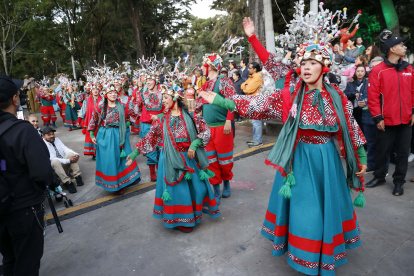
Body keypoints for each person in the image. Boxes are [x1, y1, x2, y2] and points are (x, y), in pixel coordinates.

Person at [200, 25, 367, 275]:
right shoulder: (289, 96)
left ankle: (325, 250)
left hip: (327, 162)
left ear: (324, 66)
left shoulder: (338, 98)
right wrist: (222, 101)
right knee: (305, 210)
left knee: (326, 207)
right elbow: (257, 104)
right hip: (297, 161)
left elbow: (350, 126)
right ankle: (306, 253)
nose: (307, 67)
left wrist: (361, 156)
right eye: (304, 62)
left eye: (313, 62)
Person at [126, 85, 220, 233]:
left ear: (175, 98)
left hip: (190, 158)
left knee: (197, 188)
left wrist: (194, 144)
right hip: (169, 159)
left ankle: (194, 214)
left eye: (165, 98)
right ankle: (181, 219)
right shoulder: (161, 120)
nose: (162, 101)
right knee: (178, 191)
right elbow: (150, 138)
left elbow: (205, 132)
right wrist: (134, 154)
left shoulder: (191, 116)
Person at [0, 73, 54, 275]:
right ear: (15, 99)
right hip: (24, 208)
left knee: (10, 259)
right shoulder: (22, 131)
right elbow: (42, 172)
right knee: (27, 264)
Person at [365, 34, 414, 196]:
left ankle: (399, 182)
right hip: (385, 121)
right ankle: (379, 177)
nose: (405, 47)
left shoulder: (409, 69)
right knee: (382, 151)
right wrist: (378, 117)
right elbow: (372, 96)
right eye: (402, 45)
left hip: (406, 121)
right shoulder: (378, 70)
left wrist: (413, 111)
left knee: (402, 154)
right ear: (392, 49)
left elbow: (413, 93)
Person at [195, 53, 236, 205]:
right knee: (211, 160)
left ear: (210, 65)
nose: (200, 68)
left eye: (202, 65)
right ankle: (216, 189)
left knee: (225, 161)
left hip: (222, 127)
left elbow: (233, 101)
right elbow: (198, 106)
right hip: (207, 129)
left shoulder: (224, 81)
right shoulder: (204, 85)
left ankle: (226, 182)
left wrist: (228, 121)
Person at [88, 84, 141, 194]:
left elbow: (133, 115)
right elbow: (93, 120)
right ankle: (114, 185)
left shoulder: (123, 106)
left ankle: (128, 180)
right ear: (106, 95)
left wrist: (126, 124)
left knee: (123, 157)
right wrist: (92, 135)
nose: (113, 94)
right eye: (110, 92)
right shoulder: (101, 107)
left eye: (115, 92)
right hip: (105, 136)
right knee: (111, 160)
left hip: (119, 134)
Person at [135, 74, 166, 181]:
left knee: (160, 148)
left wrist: (158, 116)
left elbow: (167, 110)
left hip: (160, 124)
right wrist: (145, 117)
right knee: (150, 149)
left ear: (156, 81)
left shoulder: (163, 95)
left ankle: (160, 168)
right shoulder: (142, 95)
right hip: (147, 126)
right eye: (146, 80)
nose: (147, 82)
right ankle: (152, 172)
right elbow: (137, 109)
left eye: (150, 80)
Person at [42, 126, 83, 193]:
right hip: (54, 170)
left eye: (52, 134)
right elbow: (52, 158)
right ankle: (68, 182)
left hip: (63, 165)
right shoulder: (43, 144)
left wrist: (76, 155)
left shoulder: (57, 140)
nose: (52, 136)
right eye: (49, 135)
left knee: (70, 154)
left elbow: (65, 149)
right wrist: (68, 160)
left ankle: (77, 176)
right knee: (55, 161)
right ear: (43, 136)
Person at [241, 62, 264, 147]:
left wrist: (245, 86)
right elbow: (242, 85)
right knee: (254, 121)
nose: (248, 69)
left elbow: (249, 89)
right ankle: (255, 139)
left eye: (250, 68)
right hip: (252, 101)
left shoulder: (258, 77)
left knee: (256, 122)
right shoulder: (252, 77)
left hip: (256, 101)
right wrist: (245, 86)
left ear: (255, 69)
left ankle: (258, 141)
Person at [78, 83, 102, 159]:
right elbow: (83, 110)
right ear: (91, 90)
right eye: (94, 89)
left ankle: (100, 153)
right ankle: (93, 153)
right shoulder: (87, 100)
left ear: (99, 90)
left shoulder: (103, 99)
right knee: (91, 137)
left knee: (100, 137)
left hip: (100, 122)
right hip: (90, 122)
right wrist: (79, 120)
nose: (95, 91)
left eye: (97, 89)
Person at [344, 64, 369, 135]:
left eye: (362, 71)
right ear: (355, 72)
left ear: (365, 72)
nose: (360, 73)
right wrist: (354, 94)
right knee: (355, 131)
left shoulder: (368, 82)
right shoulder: (350, 83)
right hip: (353, 110)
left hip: (365, 110)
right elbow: (344, 94)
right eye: (358, 71)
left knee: (365, 131)